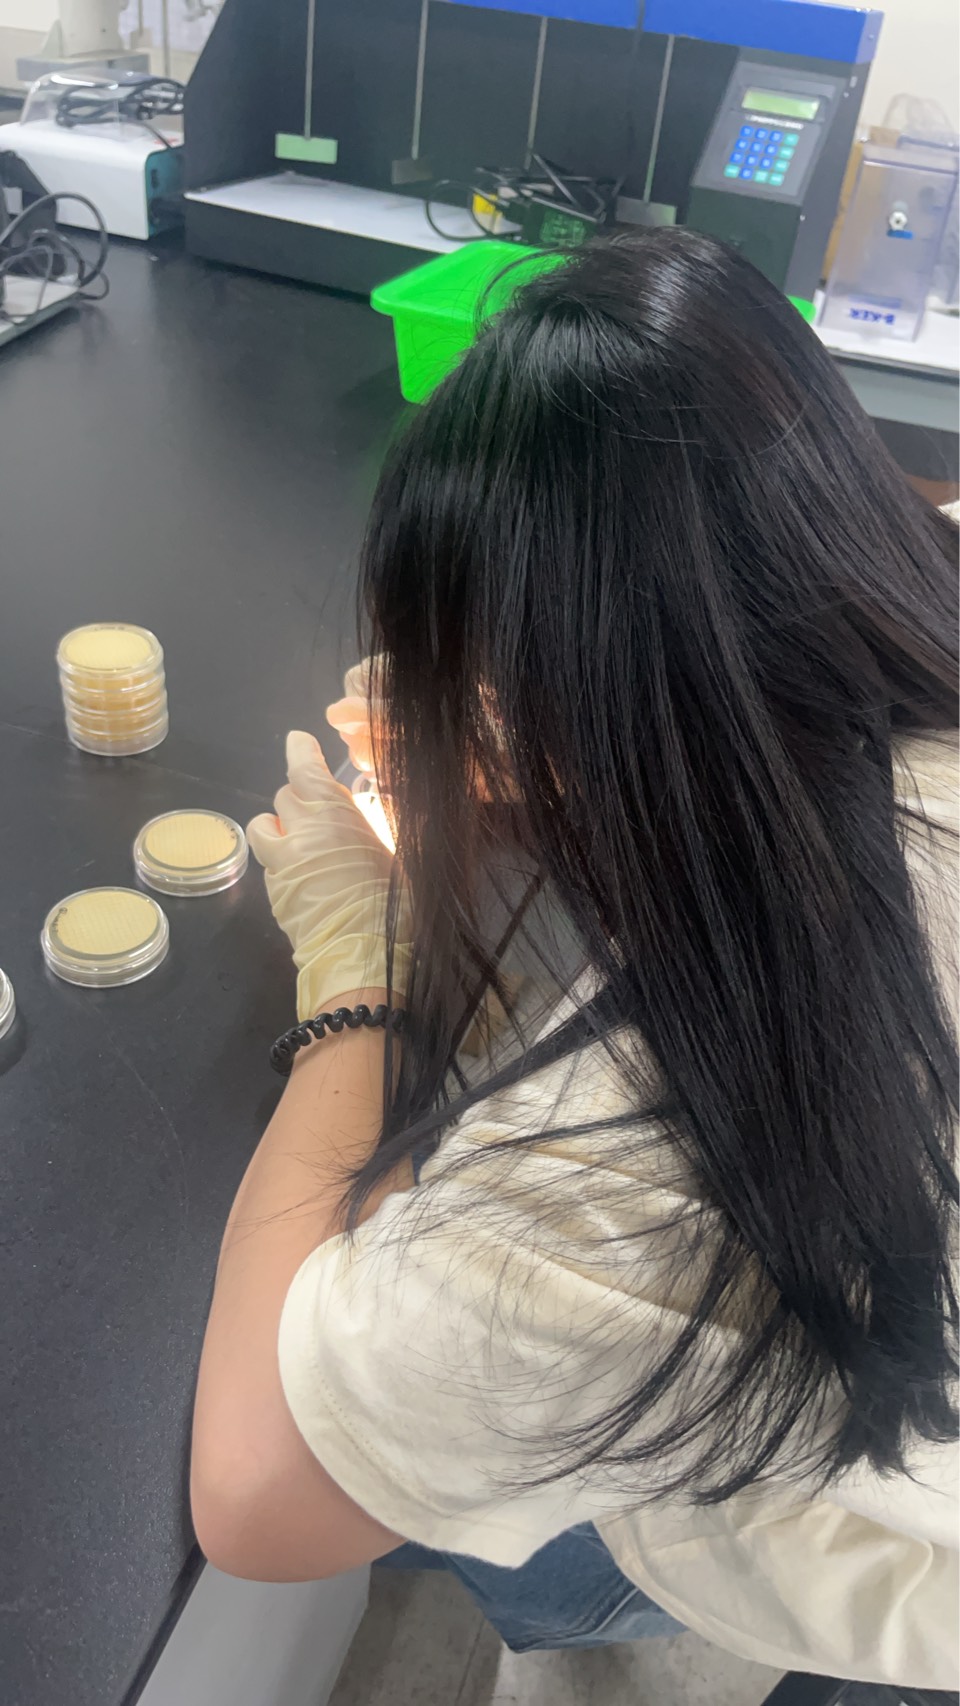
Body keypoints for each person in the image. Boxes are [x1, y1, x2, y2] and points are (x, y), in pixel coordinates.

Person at [190, 229, 959, 1686]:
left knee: (460, 1524)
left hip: (908, 1533)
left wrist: (358, 973)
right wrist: (567, 731)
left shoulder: (629, 1153)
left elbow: (257, 1492)